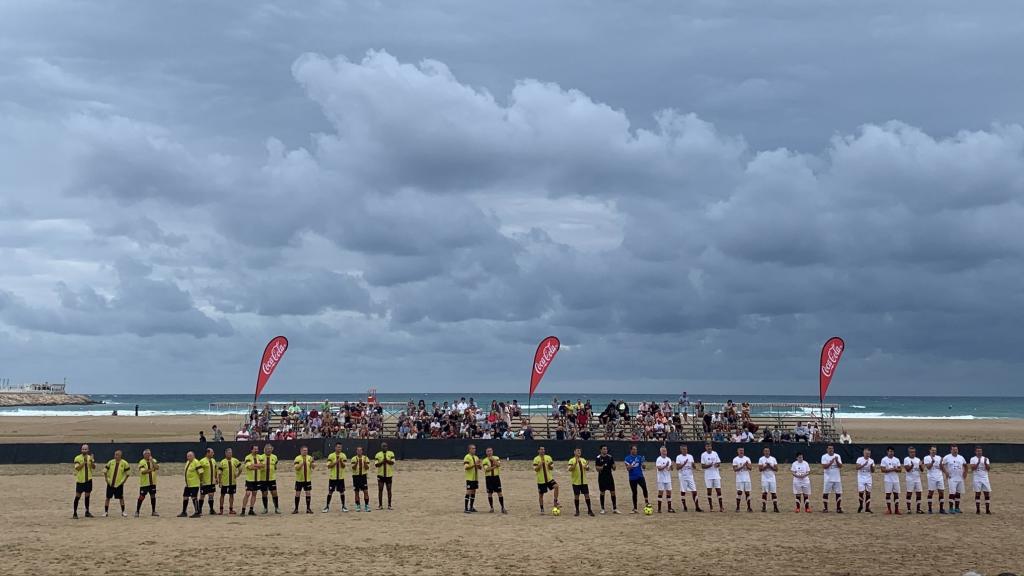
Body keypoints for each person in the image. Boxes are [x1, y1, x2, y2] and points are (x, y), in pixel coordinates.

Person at [103, 449, 131, 517]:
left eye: (117, 455)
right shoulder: (110, 462)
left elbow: (128, 473)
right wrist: (106, 479)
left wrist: (124, 481)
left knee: (121, 498)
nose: (115, 456)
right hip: (110, 483)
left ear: (120, 455)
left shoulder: (124, 463)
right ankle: (106, 512)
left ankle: (123, 512)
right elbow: (105, 471)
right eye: (115, 454)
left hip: (119, 484)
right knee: (108, 497)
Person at [568, 447, 594, 516]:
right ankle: (577, 510)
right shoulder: (571, 460)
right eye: (577, 451)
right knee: (576, 496)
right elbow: (570, 469)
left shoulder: (583, 460)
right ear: (574, 452)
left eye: (580, 451)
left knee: (587, 496)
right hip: (576, 482)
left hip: (584, 481)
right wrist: (576, 463)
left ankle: (589, 510)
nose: (579, 452)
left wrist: (586, 467)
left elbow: (587, 468)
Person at [323, 443, 349, 513]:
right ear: (335, 448)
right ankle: (327, 506)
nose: (339, 448)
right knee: (330, 492)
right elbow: (329, 466)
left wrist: (340, 461)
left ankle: (343, 506)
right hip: (333, 477)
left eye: (340, 447)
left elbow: (344, 466)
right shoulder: (331, 455)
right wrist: (336, 462)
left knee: (342, 492)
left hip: (340, 477)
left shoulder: (343, 455)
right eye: (338, 447)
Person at [623, 444, 649, 513]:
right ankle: (635, 508)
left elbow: (643, 467)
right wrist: (632, 464)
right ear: (631, 450)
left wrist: (643, 464)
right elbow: (628, 469)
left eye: (636, 449)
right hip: (632, 478)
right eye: (634, 449)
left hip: (640, 476)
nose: (635, 451)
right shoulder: (627, 458)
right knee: (634, 492)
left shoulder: (639, 457)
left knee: (644, 488)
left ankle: (646, 502)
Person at [73, 443, 96, 519]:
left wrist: (92, 461)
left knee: (87, 496)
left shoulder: (90, 457)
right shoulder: (77, 458)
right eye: (83, 449)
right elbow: (77, 468)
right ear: (81, 450)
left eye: (85, 449)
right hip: (80, 480)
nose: (84, 450)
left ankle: (87, 511)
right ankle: (75, 513)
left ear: (88, 450)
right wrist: (84, 462)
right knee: (77, 497)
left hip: (88, 480)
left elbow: (94, 467)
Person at [179, 450, 205, 518]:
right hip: (188, 484)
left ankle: (197, 512)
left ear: (194, 456)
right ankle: (184, 512)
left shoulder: (196, 462)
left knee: (194, 497)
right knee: (185, 497)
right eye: (187, 456)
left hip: (194, 484)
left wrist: (201, 481)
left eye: (190, 456)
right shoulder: (188, 462)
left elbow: (201, 472)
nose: (189, 457)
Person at [942, 444, 967, 514]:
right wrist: (946, 472)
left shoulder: (961, 457)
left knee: (958, 493)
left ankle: (957, 508)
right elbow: (941, 465)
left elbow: (965, 465)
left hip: (960, 478)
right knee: (952, 493)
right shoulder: (947, 457)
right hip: (952, 478)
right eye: (953, 450)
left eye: (956, 449)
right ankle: (951, 508)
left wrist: (965, 472)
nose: (955, 451)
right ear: (951, 450)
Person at [481, 446, 506, 514]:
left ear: (492, 451)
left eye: (490, 451)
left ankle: (502, 507)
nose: (489, 452)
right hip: (489, 478)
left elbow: (499, 464)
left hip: (496, 477)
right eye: (488, 451)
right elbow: (487, 469)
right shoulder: (485, 460)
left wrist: (493, 460)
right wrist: (495, 466)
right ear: (486, 452)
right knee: (490, 493)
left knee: (499, 492)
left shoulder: (496, 458)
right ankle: (491, 507)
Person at [820, 444, 843, 513]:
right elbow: (824, 466)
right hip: (828, 478)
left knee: (838, 493)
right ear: (827, 449)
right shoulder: (824, 456)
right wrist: (831, 462)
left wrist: (837, 461)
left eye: (832, 448)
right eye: (829, 448)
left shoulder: (837, 456)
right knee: (826, 493)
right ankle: (825, 508)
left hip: (837, 478)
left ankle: (838, 508)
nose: (831, 450)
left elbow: (840, 466)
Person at [700, 442, 723, 512]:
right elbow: (702, 466)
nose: (709, 448)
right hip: (708, 476)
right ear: (705, 447)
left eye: (710, 446)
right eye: (707, 446)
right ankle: (711, 507)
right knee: (709, 491)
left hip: (716, 475)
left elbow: (719, 463)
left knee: (718, 491)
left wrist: (717, 465)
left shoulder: (715, 453)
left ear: (711, 447)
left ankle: (721, 507)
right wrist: (709, 465)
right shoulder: (703, 455)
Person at [136, 448, 159, 517]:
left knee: (153, 496)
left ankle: (153, 511)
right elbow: (143, 472)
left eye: (149, 453)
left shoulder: (154, 460)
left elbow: (157, 467)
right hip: (144, 483)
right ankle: (137, 511)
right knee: (141, 497)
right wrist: (152, 469)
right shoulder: (142, 462)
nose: (148, 455)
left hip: (152, 482)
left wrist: (152, 462)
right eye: (147, 454)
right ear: (144, 455)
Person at [218, 447, 241, 515]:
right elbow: (219, 473)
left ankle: (231, 509)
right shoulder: (222, 462)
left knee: (231, 495)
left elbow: (240, 469)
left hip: (232, 482)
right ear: (225, 453)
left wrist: (237, 475)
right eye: (228, 453)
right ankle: (221, 510)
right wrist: (220, 482)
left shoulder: (235, 460)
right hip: (225, 483)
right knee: (222, 495)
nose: (230, 454)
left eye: (231, 452)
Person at [594, 445, 617, 514]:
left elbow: (614, 468)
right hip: (602, 477)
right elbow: (597, 468)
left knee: (613, 492)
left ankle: (615, 508)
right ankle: (602, 508)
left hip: (609, 477)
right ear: (600, 450)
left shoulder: (610, 457)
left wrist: (614, 466)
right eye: (604, 449)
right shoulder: (598, 458)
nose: (605, 450)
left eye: (606, 449)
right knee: (602, 492)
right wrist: (602, 467)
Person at [923, 445, 946, 514]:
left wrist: (942, 465)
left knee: (941, 492)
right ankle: (930, 509)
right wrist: (932, 462)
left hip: (939, 477)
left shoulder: (939, 457)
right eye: (932, 450)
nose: (934, 451)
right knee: (931, 492)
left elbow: (941, 467)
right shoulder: (926, 458)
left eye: (935, 450)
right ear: (930, 450)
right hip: (931, 477)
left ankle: (941, 509)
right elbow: (928, 467)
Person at [293, 445, 315, 514]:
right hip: (299, 480)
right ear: (301, 451)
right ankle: (296, 509)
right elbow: (296, 468)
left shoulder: (310, 457)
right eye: (304, 450)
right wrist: (303, 462)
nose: (305, 452)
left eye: (306, 450)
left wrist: (312, 462)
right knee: (297, 494)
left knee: (308, 493)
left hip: (307, 479)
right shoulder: (297, 458)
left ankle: (308, 508)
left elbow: (313, 467)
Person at [880, 447, 902, 515]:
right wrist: (891, 469)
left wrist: (896, 469)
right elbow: (882, 470)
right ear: (887, 452)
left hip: (896, 480)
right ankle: (889, 509)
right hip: (888, 480)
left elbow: (900, 470)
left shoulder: (896, 459)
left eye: (892, 451)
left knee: (896, 494)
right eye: (890, 451)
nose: (891, 453)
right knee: (888, 494)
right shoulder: (884, 459)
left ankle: (896, 510)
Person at [374, 442, 396, 510]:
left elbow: (392, 462)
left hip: (389, 475)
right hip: (380, 475)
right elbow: (376, 465)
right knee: (380, 489)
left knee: (389, 490)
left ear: (387, 447)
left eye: (385, 446)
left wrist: (386, 460)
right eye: (383, 446)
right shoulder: (378, 454)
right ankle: (380, 505)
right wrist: (382, 462)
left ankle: (389, 505)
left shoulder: (391, 453)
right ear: (381, 447)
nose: (384, 447)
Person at [969, 446, 992, 515]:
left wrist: (985, 463)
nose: (979, 452)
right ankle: (978, 510)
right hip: (977, 478)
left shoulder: (986, 459)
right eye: (978, 451)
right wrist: (978, 462)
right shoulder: (973, 459)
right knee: (977, 493)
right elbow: (972, 469)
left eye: (980, 451)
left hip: (985, 478)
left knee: (986, 493)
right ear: (975, 452)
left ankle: (987, 510)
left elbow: (988, 469)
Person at [259, 443, 280, 514]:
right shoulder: (260, 457)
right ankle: (265, 508)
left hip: (272, 479)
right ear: (264, 450)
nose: (269, 450)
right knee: (264, 493)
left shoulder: (275, 457)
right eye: (267, 449)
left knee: (274, 493)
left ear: (272, 449)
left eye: (270, 449)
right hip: (263, 479)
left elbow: (275, 466)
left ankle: (277, 508)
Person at [242, 444, 263, 516]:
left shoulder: (260, 457)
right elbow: (249, 467)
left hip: (257, 479)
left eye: (257, 449)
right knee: (247, 494)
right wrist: (258, 466)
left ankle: (251, 510)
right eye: (255, 449)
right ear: (251, 450)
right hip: (250, 479)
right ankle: (243, 510)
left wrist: (254, 465)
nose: (256, 450)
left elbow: (263, 465)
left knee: (254, 493)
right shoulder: (248, 457)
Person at [653, 446, 675, 513]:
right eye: (663, 451)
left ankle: (669, 508)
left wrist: (671, 466)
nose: (665, 452)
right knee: (661, 492)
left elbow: (671, 469)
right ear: (661, 452)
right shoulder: (659, 459)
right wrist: (665, 465)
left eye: (665, 451)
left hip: (668, 478)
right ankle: (659, 509)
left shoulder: (669, 459)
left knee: (669, 492)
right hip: (661, 479)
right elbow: (659, 468)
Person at [903, 446, 924, 514]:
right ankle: (909, 509)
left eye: (914, 452)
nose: (913, 453)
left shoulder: (918, 459)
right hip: (910, 479)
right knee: (909, 493)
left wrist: (920, 465)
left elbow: (922, 470)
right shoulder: (906, 459)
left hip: (917, 479)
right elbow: (907, 470)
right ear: (909, 452)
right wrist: (912, 466)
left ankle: (918, 509)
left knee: (919, 493)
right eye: (911, 452)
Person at [758, 447, 779, 513]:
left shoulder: (773, 459)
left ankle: (775, 507)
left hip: (772, 478)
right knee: (764, 492)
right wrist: (765, 466)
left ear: (769, 452)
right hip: (764, 478)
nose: (766, 452)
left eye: (768, 451)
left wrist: (770, 466)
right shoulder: (761, 459)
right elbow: (760, 469)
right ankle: (764, 507)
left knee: (773, 492)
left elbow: (776, 469)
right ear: (763, 452)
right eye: (765, 451)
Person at [197, 447, 218, 515]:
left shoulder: (213, 460)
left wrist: (216, 478)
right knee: (202, 496)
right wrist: (201, 480)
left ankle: (211, 510)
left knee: (211, 495)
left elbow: (215, 470)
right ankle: (200, 510)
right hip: (205, 482)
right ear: (207, 453)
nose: (213, 453)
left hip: (212, 482)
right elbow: (199, 471)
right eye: (212, 452)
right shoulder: (202, 461)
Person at [351, 446, 372, 512]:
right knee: (356, 492)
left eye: (360, 450)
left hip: (363, 476)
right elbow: (353, 468)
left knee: (365, 491)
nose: (359, 451)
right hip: (356, 476)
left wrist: (364, 463)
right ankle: (358, 505)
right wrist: (356, 462)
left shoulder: (365, 458)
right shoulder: (353, 458)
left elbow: (367, 468)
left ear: (362, 451)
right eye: (358, 450)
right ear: (356, 451)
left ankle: (366, 505)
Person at [732, 446, 753, 512]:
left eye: (742, 450)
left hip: (747, 478)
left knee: (747, 493)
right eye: (740, 450)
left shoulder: (747, 458)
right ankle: (738, 507)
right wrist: (742, 466)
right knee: (739, 492)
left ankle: (749, 507)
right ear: (737, 451)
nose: (741, 452)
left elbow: (750, 468)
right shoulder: (735, 459)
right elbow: (735, 469)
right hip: (739, 478)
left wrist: (747, 465)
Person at [463, 444, 481, 513]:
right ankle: (466, 508)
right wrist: (474, 465)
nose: (474, 450)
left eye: (475, 448)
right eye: (473, 448)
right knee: (468, 491)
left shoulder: (476, 457)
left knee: (474, 491)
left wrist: (479, 465)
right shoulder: (467, 457)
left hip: (475, 478)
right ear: (469, 449)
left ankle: (471, 507)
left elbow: (479, 468)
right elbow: (466, 467)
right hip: (469, 477)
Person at [855, 448, 875, 513]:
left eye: (869, 454)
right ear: (864, 453)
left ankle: (867, 507)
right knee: (861, 492)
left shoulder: (871, 460)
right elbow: (857, 468)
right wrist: (864, 464)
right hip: (861, 477)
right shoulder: (859, 459)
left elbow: (873, 471)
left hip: (868, 477)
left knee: (868, 492)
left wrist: (871, 466)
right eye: (866, 453)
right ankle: (861, 505)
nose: (867, 455)